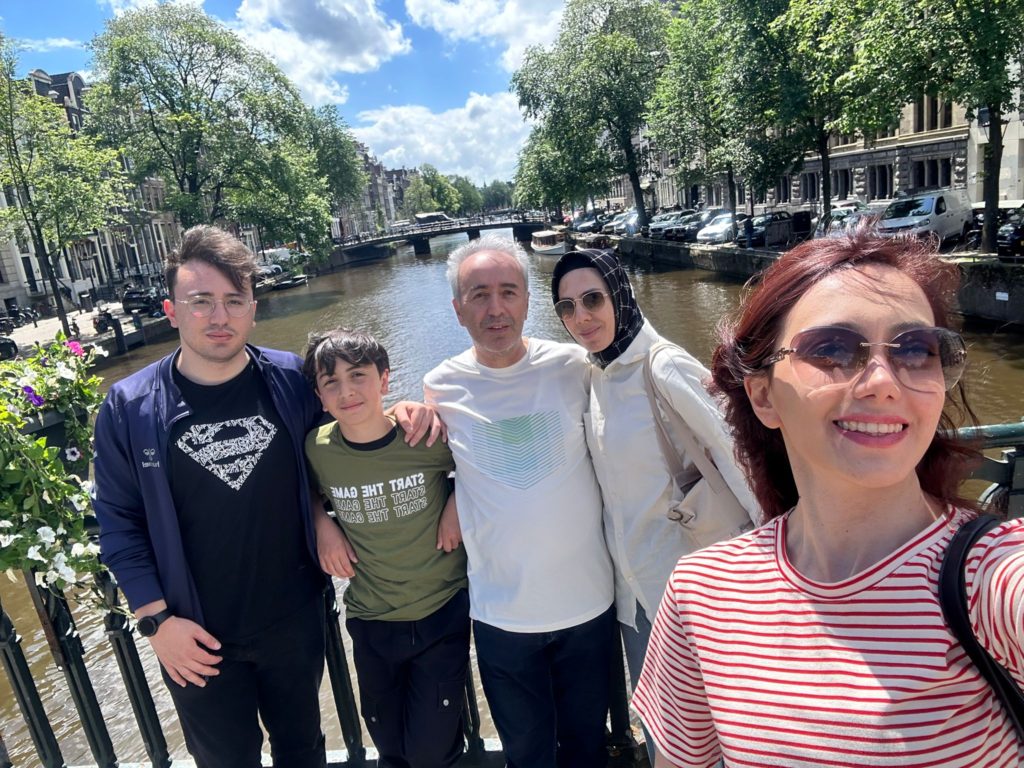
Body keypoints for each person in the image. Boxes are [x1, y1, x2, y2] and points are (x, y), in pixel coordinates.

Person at [633, 230, 1024, 767]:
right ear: (764, 396)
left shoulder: (990, 576)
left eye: (916, 350)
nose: (884, 382)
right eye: (833, 349)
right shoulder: (702, 592)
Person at [92, 225, 438, 768]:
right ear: (171, 310)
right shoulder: (128, 407)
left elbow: (352, 426)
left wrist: (404, 412)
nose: (219, 316)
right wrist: (157, 623)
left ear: (254, 308)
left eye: (234, 300)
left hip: (293, 618)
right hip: (193, 633)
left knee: (303, 750)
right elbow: (118, 522)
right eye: (201, 301)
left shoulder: (292, 379)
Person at [551, 248, 759, 761]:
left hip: (693, 588)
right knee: (667, 740)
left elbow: (737, 456)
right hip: (636, 597)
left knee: (728, 737)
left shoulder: (662, 365)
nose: (581, 317)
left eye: (593, 299)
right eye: (566, 307)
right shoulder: (596, 372)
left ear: (620, 295)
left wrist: (777, 563)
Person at [423, 235, 616, 768]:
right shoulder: (440, 386)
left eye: (508, 292)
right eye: (479, 295)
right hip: (501, 616)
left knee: (586, 750)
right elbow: (419, 456)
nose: (496, 308)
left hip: (588, 605)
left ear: (528, 302)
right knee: (526, 756)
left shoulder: (576, 365)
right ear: (457, 309)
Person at [302, 328, 469, 768]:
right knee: (389, 748)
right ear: (319, 397)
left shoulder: (425, 435)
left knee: (432, 752)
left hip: (440, 611)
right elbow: (307, 493)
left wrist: (458, 502)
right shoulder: (318, 450)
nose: (346, 391)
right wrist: (321, 522)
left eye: (358, 375)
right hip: (372, 619)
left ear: (385, 379)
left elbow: (483, 465)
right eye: (331, 382)